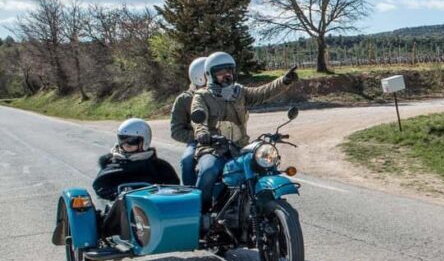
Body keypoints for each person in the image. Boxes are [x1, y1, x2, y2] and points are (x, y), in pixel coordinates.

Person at [192, 52, 298, 210]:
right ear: (210, 75)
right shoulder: (202, 96)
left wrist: (284, 81)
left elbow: (262, 92)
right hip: (214, 149)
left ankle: (261, 208)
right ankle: (201, 213)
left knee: (265, 167)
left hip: (240, 148)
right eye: (220, 73)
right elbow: (198, 118)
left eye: (229, 71)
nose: (226, 76)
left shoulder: (239, 92)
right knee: (208, 170)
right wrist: (202, 133)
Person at [92, 118, 180, 237]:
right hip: (120, 216)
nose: (126, 144)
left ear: (144, 141)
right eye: (123, 139)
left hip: (153, 211)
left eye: (132, 140)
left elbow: (173, 188)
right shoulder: (112, 164)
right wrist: (116, 194)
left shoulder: (159, 166)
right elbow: (100, 186)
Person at [170, 56, 207, 186]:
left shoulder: (225, 94)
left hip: (227, 138)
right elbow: (176, 131)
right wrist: (198, 136)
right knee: (187, 160)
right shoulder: (184, 100)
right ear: (199, 76)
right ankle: (190, 192)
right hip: (198, 142)